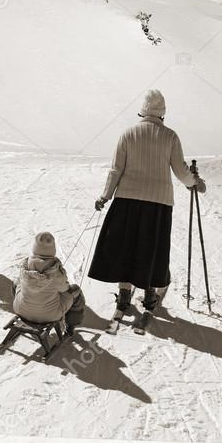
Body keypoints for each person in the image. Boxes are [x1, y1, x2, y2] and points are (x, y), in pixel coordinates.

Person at [88, 88, 206, 313]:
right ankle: (149, 293)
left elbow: (116, 170)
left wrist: (105, 196)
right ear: (162, 114)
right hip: (158, 203)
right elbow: (180, 170)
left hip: (127, 200)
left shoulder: (128, 134)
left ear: (142, 112)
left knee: (126, 245)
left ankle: (124, 295)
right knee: (150, 246)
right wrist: (195, 182)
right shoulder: (170, 136)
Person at [12, 231, 86, 335]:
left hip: (21, 310)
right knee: (75, 290)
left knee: (16, 282)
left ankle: (24, 308)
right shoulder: (55, 270)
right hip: (50, 315)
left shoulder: (25, 265)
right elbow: (65, 289)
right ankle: (71, 326)